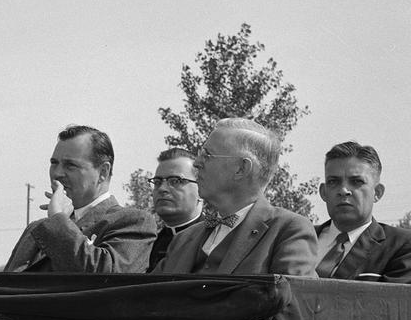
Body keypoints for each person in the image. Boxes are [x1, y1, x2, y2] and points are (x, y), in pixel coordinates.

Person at [154, 118, 317, 275]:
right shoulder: (183, 239)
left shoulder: (287, 231)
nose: (197, 163)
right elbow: (145, 297)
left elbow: (291, 300)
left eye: (207, 155)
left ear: (241, 168)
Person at [3, 125, 155, 273]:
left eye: (70, 165)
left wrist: (58, 219)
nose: (57, 173)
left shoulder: (134, 222)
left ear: (103, 171)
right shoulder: (36, 229)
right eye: (54, 163)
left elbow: (105, 277)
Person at [314, 141, 411, 282]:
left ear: (377, 192)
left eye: (356, 182)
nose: (343, 190)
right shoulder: (298, 238)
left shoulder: (401, 246)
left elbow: (390, 303)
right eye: (333, 182)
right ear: (323, 192)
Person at [146, 147, 204, 271]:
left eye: (175, 181)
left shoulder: (211, 241)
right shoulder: (147, 245)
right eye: (157, 182)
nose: (162, 188)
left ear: (201, 188)